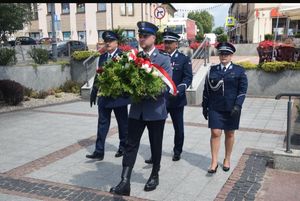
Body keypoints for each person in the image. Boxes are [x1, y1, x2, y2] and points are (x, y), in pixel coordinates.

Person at [109, 21, 172, 196]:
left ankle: (154, 175)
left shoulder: (164, 59)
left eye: (145, 36)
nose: (141, 39)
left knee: (155, 144)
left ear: (154, 38)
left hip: (155, 111)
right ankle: (125, 181)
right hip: (137, 110)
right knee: (130, 145)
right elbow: (127, 80)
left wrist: (144, 91)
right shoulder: (133, 58)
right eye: (140, 36)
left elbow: (165, 87)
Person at [144, 31, 193, 163]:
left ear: (176, 44)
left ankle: (177, 151)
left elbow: (188, 78)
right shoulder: (158, 57)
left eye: (170, 43)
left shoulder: (183, 59)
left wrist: (179, 90)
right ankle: (155, 154)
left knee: (178, 128)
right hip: (160, 100)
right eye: (165, 42)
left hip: (176, 100)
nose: (167, 45)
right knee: (157, 129)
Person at [202, 42, 248, 174]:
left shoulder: (239, 71)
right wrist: (205, 107)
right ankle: (214, 162)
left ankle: (227, 158)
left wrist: (238, 105)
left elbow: (243, 90)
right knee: (215, 132)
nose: (223, 56)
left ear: (231, 55)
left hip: (231, 107)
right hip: (215, 106)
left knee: (230, 133)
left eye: (226, 54)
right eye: (221, 53)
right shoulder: (213, 70)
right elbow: (207, 90)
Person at [87, 31, 130, 161]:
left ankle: (123, 147)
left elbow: (128, 76)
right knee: (102, 123)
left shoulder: (123, 57)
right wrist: (94, 91)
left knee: (123, 124)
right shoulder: (103, 57)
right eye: (106, 41)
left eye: (110, 41)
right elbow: (99, 75)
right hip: (105, 96)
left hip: (119, 97)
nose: (108, 43)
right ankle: (99, 151)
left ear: (117, 42)